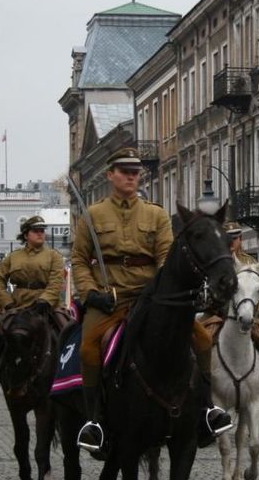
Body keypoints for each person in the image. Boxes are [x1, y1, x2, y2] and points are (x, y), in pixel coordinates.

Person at [72, 147, 230, 456]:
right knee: (88, 348)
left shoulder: (155, 214)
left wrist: (160, 289)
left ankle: (206, 410)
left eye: (135, 172)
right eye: (124, 171)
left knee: (201, 339)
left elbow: (165, 257)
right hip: (110, 299)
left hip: (152, 297)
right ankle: (95, 422)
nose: (132, 176)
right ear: (110, 175)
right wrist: (91, 293)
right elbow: (79, 259)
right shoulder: (93, 216)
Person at [0, 214, 65, 394]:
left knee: (68, 330)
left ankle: (74, 377)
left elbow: (56, 281)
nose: (40, 234)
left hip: (48, 307)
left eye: (42, 231)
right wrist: (7, 303)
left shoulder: (54, 256)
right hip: (19, 308)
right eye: (36, 231)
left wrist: (45, 300)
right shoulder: (13, 257)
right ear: (26, 235)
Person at [224, 221, 259, 402]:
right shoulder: (219, 261)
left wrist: (256, 312)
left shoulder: (250, 261)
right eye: (229, 238)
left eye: (236, 238)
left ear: (240, 239)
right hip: (221, 314)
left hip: (248, 314)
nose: (232, 242)